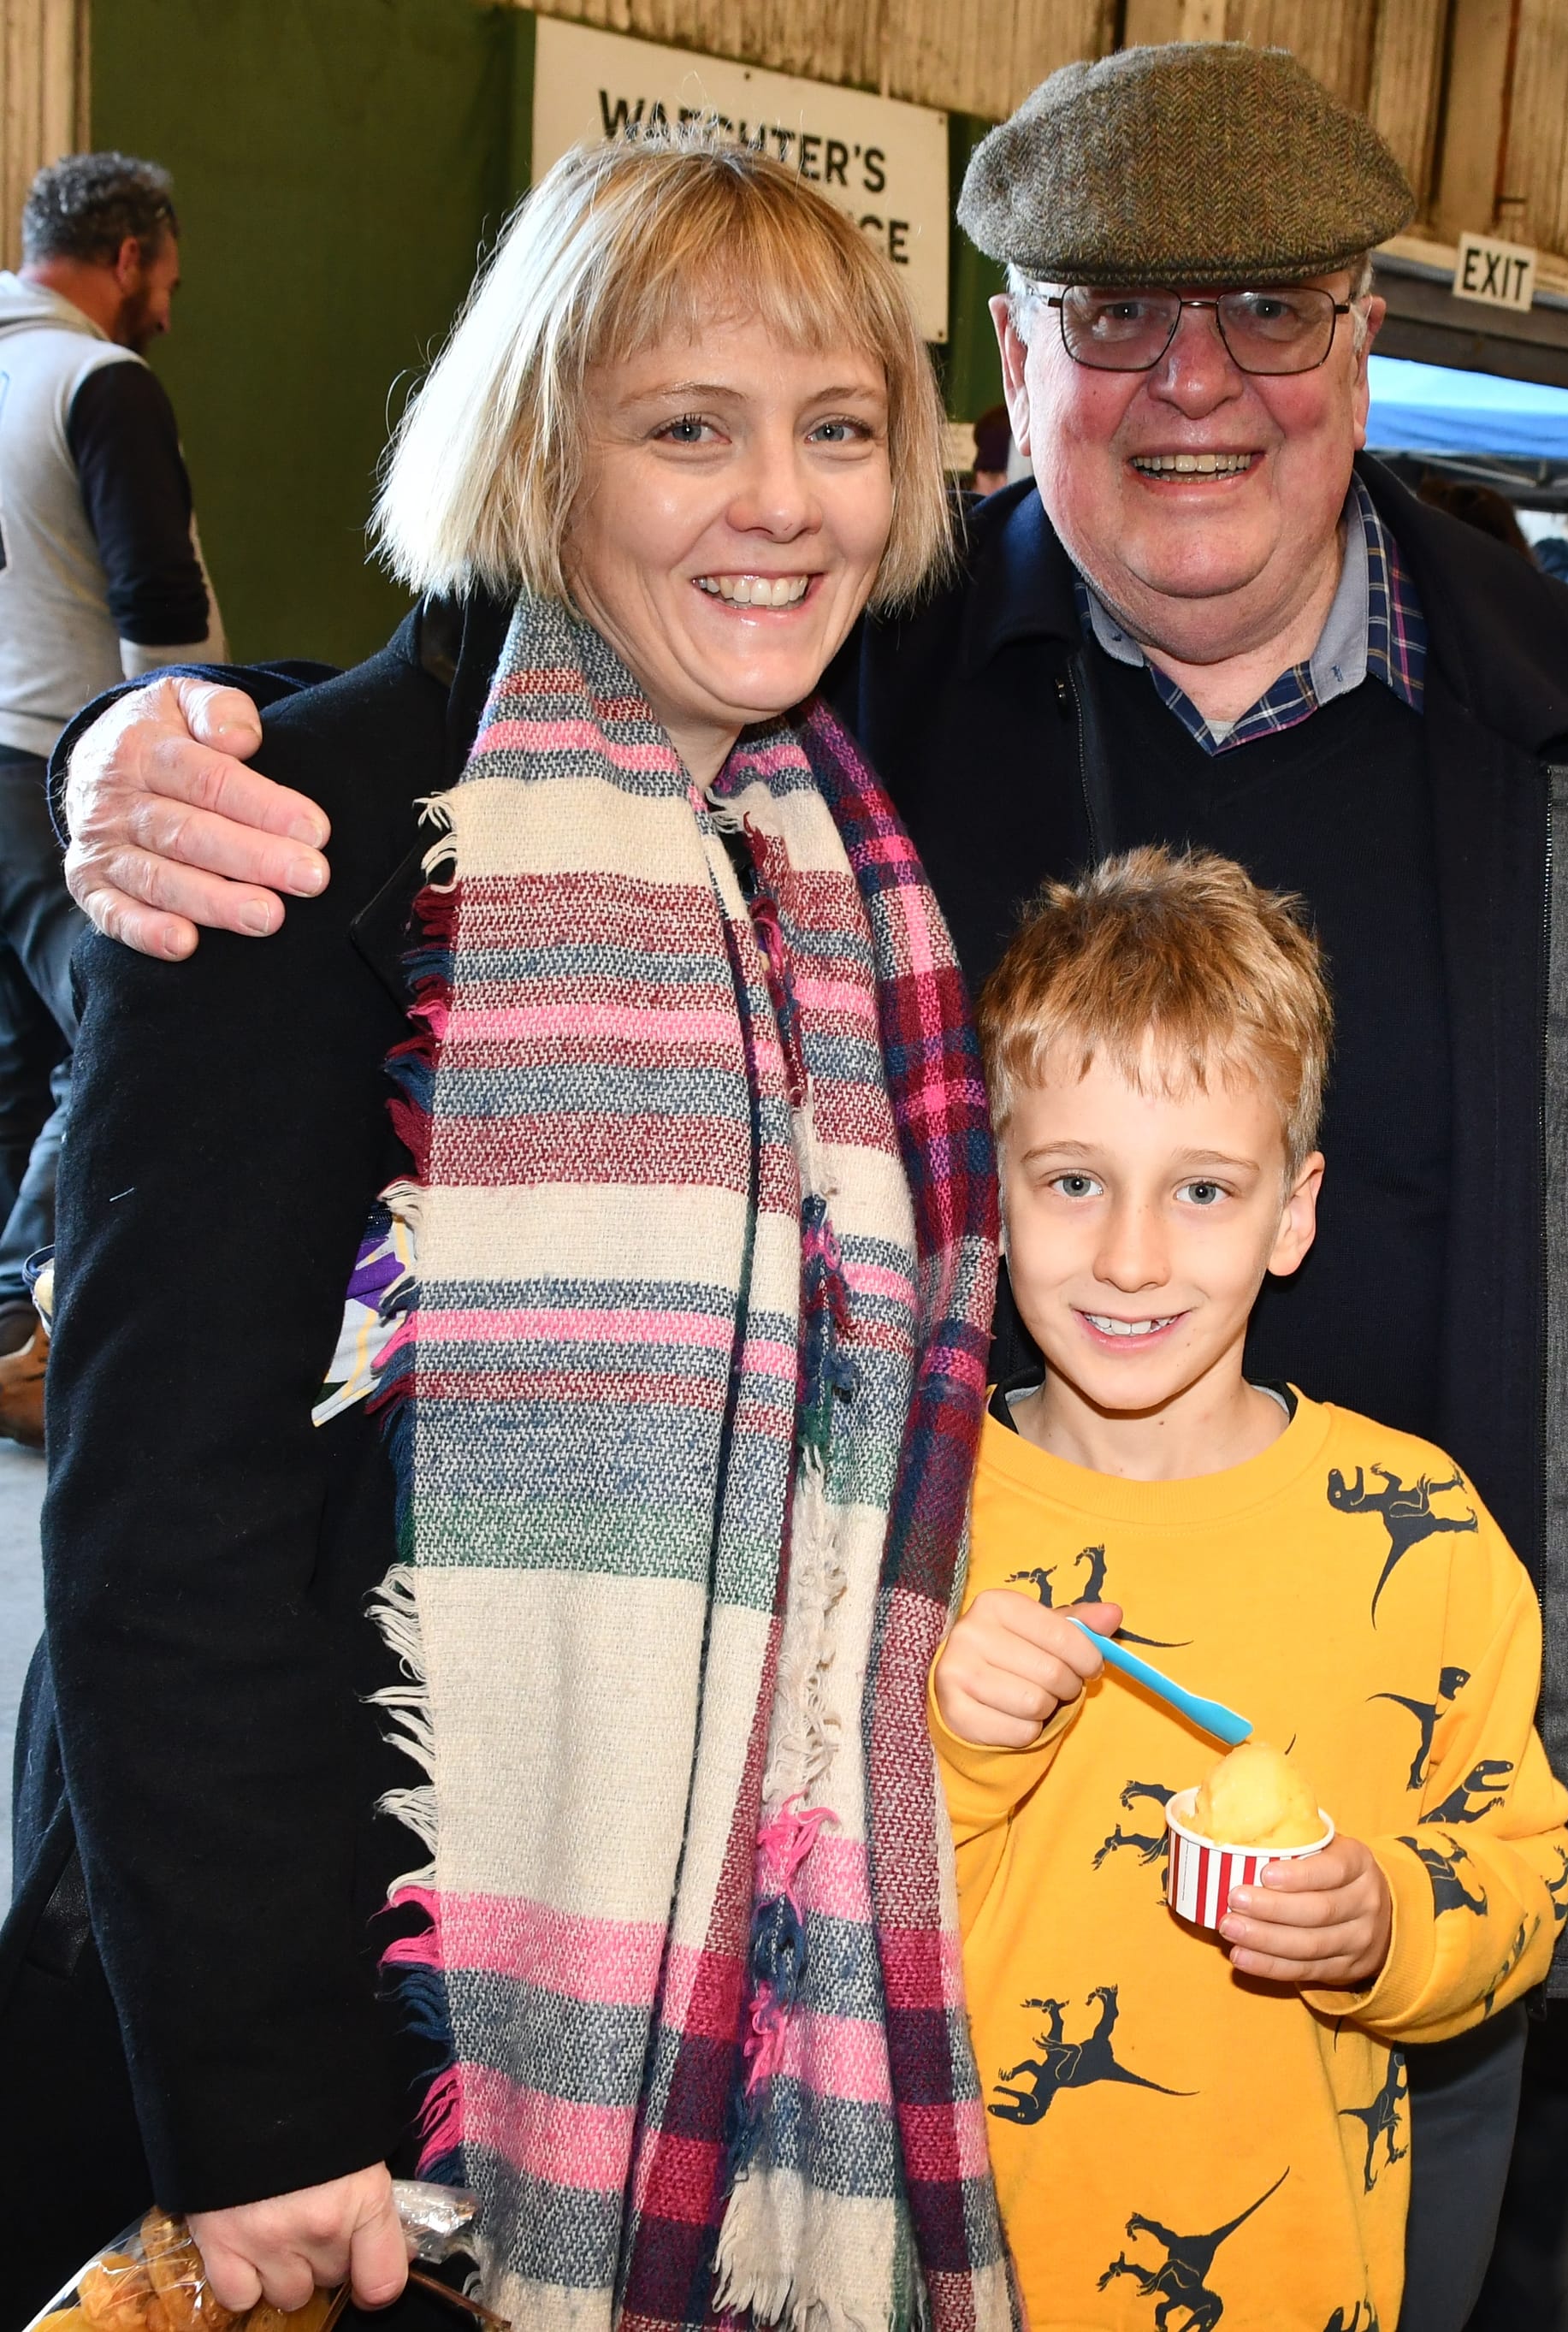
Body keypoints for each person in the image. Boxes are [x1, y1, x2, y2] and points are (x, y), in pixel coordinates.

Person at [45, 40, 1568, 2330]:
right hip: (595, 1942)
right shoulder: (632, 756)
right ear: (1016, 369)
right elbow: (170, 1511)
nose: (1196, 382)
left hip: (1353, 1761)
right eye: (1114, 314)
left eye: (832, 430)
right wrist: (128, 759)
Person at [1, 139, 1013, 2332]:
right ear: (543, 450)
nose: (781, 501)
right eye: (686, 427)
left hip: (737, 1983)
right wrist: (264, 2100)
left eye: (836, 429)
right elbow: (160, 1528)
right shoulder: (294, 838)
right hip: (373, 2051)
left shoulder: (838, 870)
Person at [933, 845, 1568, 2329]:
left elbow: (1528, 1870)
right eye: (1074, 1180)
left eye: (1206, 1189)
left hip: (1298, 2281)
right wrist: (960, 1757)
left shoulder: (1420, 1528)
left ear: (1295, 1212)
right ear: (998, 1193)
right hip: (946, 2269)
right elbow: (804, 1904)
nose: (1134, 1256)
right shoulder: (912, 1519)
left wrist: (1389, 1924)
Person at [0, 151, 222, 1445]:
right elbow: (157, 600)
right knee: (117, 1026)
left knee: (21, 1055)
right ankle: (26, 1322)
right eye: (170, 281)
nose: (169, 313)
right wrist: (190, 750)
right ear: (130, 257)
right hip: (53, 764)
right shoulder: (100, 380)